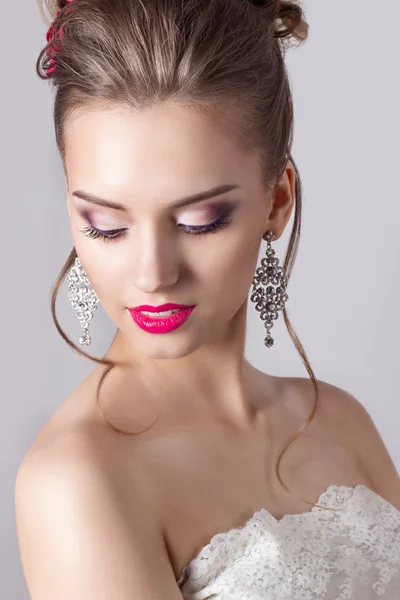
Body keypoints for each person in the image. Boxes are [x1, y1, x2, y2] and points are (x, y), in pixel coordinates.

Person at [15, 0, 400, 598]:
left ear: (276, 202)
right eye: (106, 225)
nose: (154, 273)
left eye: (199, 221)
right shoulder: (79, 481)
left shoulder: (341, 423)